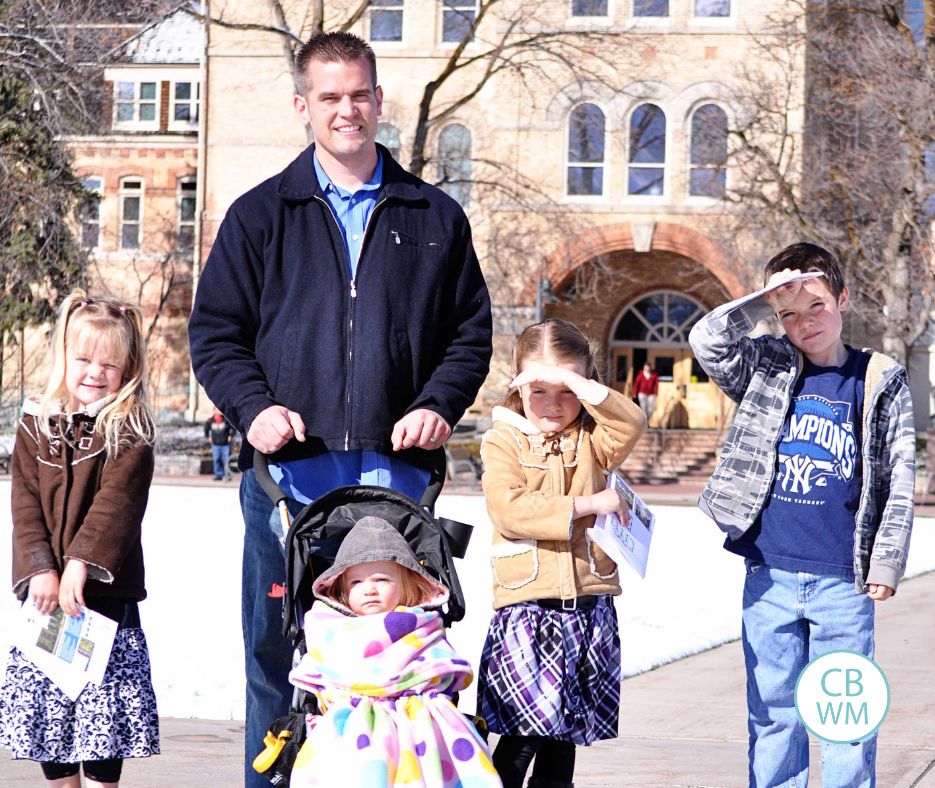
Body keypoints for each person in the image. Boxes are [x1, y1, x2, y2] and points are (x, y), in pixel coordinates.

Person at [187, 31, 492, 787]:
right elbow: (216, 333)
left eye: (359, 94)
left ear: (380, 100)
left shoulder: (434, 217)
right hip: (290, 485)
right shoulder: (262, 215)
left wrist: (438, 403)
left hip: (396, 488)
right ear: (303, 107)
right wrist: (251, 408)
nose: (346, 110)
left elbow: (469, 334)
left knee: (404, 663)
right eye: (329, 97)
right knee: (276, 659)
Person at [688, 242, 915, 787]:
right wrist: (762, 302)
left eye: (817, 306)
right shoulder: (765, 367)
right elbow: (706, 339)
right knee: (773, 712)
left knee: (846, 719)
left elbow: (900, 475)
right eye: (788, 314)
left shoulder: (877, 378)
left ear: (843, 298)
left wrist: (885, 562)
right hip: (769, 573)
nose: (805, 322)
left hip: (844, 580)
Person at [476, 318, 646, 788]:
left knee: (563, 736)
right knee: (523, 733)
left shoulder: (594, 439)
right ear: (518, 385)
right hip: (529, 610)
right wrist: (587, 504)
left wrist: (582, 385)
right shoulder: (503, 440)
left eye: (566, 390)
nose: (554, 405)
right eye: (540, 390)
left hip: (587, 607)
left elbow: (632, 422)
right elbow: (510, 510)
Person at [0, 290, 160, 786]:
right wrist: (40, 567)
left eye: (109, 364)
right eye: (84, 358)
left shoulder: (129, 429)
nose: (95, 371)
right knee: (51, 713)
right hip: (46, 598)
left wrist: (80, 564)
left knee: (101, 718)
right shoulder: (35, 424)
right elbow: (25, 503)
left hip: (104, 601)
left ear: (128, 369)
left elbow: (117, 505)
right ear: (64, 357)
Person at [286, 515, 500, 787]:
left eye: (382, 579)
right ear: (341, 590)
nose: (370, 590)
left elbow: (439, 668)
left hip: (419, 716)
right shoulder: (332, 627)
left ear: (407, 585)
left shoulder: (419, 625)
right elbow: (323, 668)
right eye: (356, 582)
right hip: (351, 717)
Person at [205, 406, 235, 481]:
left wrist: (231, 436)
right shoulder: (210, 421)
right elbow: (206, 430)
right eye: (217, 409)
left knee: (227, 460)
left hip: (225, 444)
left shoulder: (226, 420)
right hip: (215, 444)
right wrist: (208, 437)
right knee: (216, 459)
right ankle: (218, 475)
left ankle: (228, 475)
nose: (219, 411)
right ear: (214, 411)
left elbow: (233, 428)